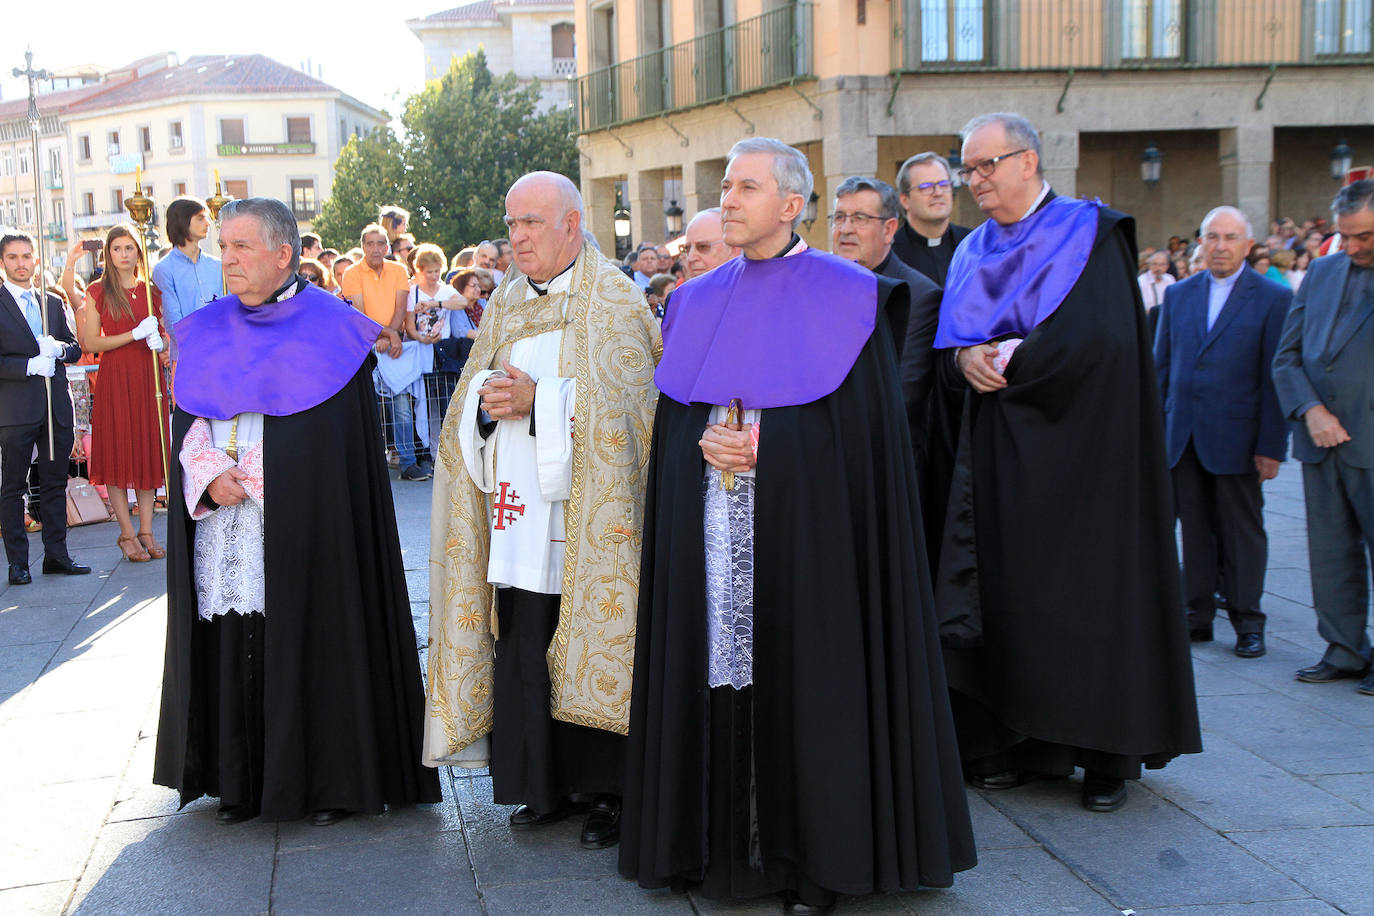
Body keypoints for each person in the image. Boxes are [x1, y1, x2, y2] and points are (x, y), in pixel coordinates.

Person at [620, 138, 975, 914]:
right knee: (717, 677)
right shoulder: (695, 300)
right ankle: (711, 849)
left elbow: (866, 444)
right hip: (715, 536)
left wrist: (768, 451)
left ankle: (814, 858)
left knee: (807, 684)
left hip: (811, 546)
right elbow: (679, 423)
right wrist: (699, 448)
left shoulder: (852, 297)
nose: (728, 198)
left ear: (790, 204)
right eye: (725, 184)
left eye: (745, 186)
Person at [933, 112, 1200, 812]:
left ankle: (1105, 754)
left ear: (1029, 162)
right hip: (1000, 458)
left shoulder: (1091, 232)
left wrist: (1016, 360)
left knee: (1093, 604)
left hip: (1088, 459)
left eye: (988, 165)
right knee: (1009, 599)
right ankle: (1019, 743)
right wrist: (963, 358)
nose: (977, 181)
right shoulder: (970, 252)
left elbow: (1105, 342)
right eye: (969, 169)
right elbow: (946, 349)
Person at [153, 196, 441, 825]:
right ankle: (239, 777)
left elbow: (330, 450)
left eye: (240, 248)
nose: (226, 260)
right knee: (233, 632)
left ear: (283, 254)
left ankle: (328, 779)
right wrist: (206, 475)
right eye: (223, 247)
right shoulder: (205, 327)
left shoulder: (332, 328)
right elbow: (192, 421)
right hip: (225, 517)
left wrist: (258, 476)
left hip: (309, 524)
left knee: (316, 632)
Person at [424, 171, 660, 852]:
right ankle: (544, 783)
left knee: (594, 641)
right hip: (517, 515)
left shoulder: (614, 298)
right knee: (526, 641)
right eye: (511, 225)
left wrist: (543, 403)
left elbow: (631, 412)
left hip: (593, 521)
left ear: (572, 222)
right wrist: (489, 406)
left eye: (530, 223)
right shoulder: (503, 303)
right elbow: (470, 397)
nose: (516, 238)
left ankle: (611, 790)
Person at [1155, 205, 1291, 659]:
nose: (1219, 246)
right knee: (1193, 532)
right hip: (1184, 437)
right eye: (1212, 237)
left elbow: (1276, 377)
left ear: (1248, 246)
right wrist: (1156, 433)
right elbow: (1162, 370)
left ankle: (1248, 621)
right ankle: (1196, 616)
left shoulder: (1272, 299)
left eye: (1230, 238)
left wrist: (1271, 445)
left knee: (1242, 533)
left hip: (1240, 439)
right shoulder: (1180, 295)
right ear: (1201, 243)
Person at [1272, 178, 1374, 695]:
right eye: (1347, 236)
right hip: (1320, 439)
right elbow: (1286, 356)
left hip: (1372, 439)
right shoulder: (1323, 271)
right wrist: (1310, 409)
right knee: (1330, 552)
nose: (1354, 247)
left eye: (1365, 236)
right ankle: (1345, 648)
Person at [829, 175, 943, 475]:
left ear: (889, 228)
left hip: (887, 462)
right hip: (825, 458)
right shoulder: (817, 286)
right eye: (839, 217)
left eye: (859, 219)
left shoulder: (919, 294)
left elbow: (904, 394)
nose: (845, 229)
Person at [0, 233, 88, 584]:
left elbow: (74, 347)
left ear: (36, 259)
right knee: (12, 487)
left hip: (55, 407)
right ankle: (18, 563)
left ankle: (57, 555)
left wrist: (59, 351)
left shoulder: (51, 302)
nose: (21, 263)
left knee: (54, 483)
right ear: (3, 262)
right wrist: (27, 367)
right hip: (16, 409)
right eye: (13, 257)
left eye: (26, 256)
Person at [81, 226, 171, 563]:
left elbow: (163, 338)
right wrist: (133, 334)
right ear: (108, 253)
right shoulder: (97, 291)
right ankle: (127, 533)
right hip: (115, 377)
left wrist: (159, 343)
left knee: (146, 451)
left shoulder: (152, 292)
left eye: (129, 247)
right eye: (117, 248)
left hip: (147, 378)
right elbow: (91, 342)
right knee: (119, 452)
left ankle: (146, 530)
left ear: (138, 252)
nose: (124, 254)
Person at [149, 197, 223, 357]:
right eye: (200, 218)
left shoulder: (218, 265)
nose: (207, 223)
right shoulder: (164, 269)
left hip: (221, 353)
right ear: (183, 221)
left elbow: (227, 308)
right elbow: (174, 322)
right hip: (188, 357)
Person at [892, 151, 971, 285]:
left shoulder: (972, 244)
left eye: (944, 185)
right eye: (926, 187)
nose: (938, 193)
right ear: (905, 200)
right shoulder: (890, 254)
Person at [682, 207, 740, 279]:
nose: (690, 258)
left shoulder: (754, 288)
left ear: (733, 249)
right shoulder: (682, 290)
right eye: (687, 249)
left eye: (702, 247)